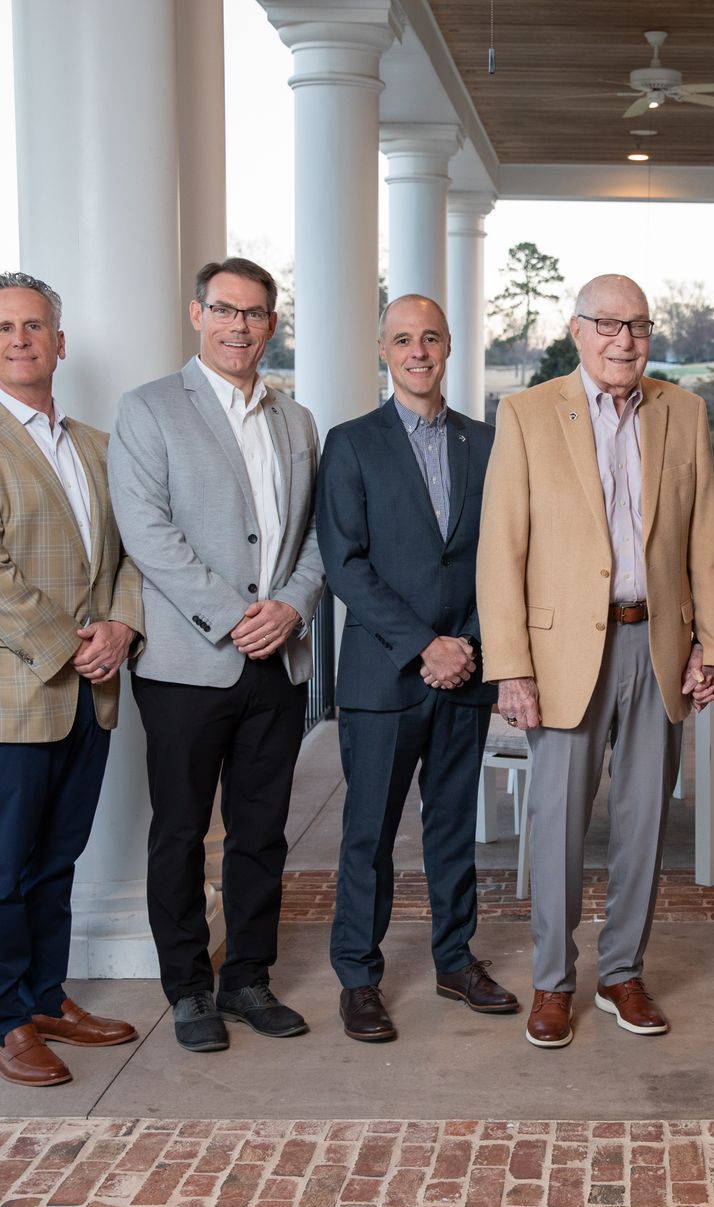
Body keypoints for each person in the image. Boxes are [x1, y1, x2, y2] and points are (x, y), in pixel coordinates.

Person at [476, 273, 714, 1049]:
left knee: (644, 820)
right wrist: (510, 667)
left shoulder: (682, 412)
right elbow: (501, 550)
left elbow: (704, 540)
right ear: (578, 329)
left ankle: (623, 971)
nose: (625, 341)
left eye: (639, 327)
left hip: (656, 642)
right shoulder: (526, 413)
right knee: (555, 824)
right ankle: (552, 983)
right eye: (609, 325)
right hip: (558, 652)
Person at [0, 272, 143, 1087]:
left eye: (35, 326)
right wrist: (70, 646)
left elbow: (127, 555)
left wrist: (120, 627)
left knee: (56, 860)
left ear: (59, 342)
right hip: (10, 696)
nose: (20, 339)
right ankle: (2, 1021)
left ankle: (45, 998)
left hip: (91, 694)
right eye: (4, 328)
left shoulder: (97, 446)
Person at [108, 257, 327, 1053]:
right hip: (187, 665)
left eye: (256, 312)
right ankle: (188, 986)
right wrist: (238, 617)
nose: (240, 325)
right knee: (179, 830)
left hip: (280, 660)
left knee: (262, 831)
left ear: (272, 324)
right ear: (196, 314)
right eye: (225, 310)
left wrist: (291, 608)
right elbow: (148, 535)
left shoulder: (297, 422)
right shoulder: (149, 410)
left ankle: (248, 978)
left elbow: (315, 539)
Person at [315, 293, 518, 1043]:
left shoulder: (486, 443)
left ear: (450, 346)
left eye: (430, 337)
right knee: (368, 833)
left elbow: (500, 558)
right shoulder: (351, 442)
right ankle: (358, 977)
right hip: (383, 676)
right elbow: (346, 564)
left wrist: (466, 648)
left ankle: (455, 958)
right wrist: (424, 645)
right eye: (402, 339)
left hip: (464, 671)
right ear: (383, 350)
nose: (418, 351)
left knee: (451, 829)